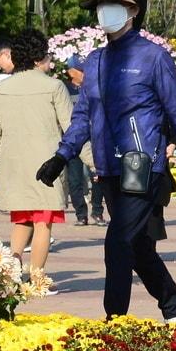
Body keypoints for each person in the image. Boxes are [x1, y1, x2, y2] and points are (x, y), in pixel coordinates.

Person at [36, 0, 176, 323]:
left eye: (112, 4)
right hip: (107, 166)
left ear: (133, 10)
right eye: (100, 5)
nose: (103, 11)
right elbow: (84, 114)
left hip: (141, 163)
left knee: (117, 243)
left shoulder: (153, 57)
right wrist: (61, 155)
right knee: (138, 245)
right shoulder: (95, 61)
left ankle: (116, 322)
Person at [0, 29, 81, 294]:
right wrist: (91, 161)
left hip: (13, 164)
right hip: (47, 165)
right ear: (39, 58)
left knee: (21, 218)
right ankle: (37, 280)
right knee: (42, 222)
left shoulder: (2, 89)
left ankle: (14, 266)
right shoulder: (54, 87)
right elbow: (73, 128)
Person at [60, 55, 102, 226]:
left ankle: (97, 211)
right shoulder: (65, 89)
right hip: (74, 139)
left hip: (94, 138)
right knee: (74, 179)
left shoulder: (94, 87)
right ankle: (81, 214)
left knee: (98, 175)